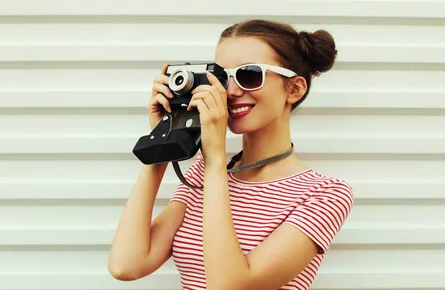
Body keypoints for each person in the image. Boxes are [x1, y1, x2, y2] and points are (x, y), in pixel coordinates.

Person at [108, 19, 354, 290]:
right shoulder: (203, 172)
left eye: (249, 75)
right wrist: (162, 142)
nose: (232, 92)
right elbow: (126, 265)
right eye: (223, 78)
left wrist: (215, 161)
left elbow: (231, 285)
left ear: (294, 88)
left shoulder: (324, 194)